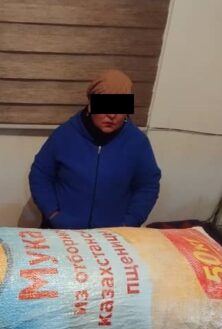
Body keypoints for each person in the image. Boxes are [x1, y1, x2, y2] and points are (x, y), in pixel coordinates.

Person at [29, 69, 161, 229]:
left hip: (113, 234)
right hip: (62, 230)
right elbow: (40, 174)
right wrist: (53, 213)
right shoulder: (65, 134)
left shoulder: (137, 142)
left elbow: (148, 185)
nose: (112, 115)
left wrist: (130, 221)